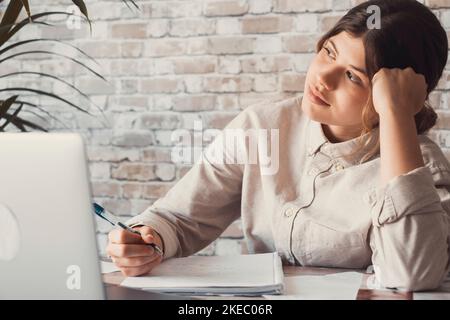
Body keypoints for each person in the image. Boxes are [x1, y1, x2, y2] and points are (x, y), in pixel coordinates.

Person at [106, 0, 450, 291]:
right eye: (329, 52)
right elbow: (178, 218)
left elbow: (411, 275)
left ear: (395, 95)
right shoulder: (261, 126)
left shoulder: (421, 167)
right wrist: (146, 239)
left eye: (352, 77)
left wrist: (396, 115)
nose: (322, 78)